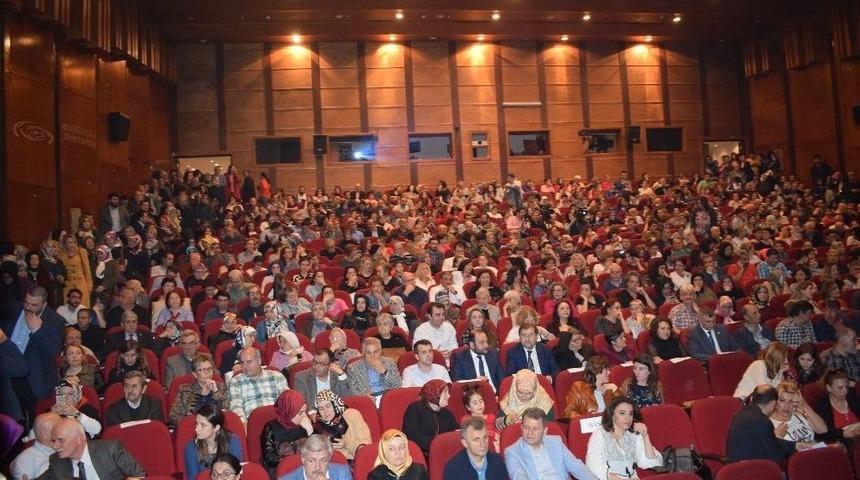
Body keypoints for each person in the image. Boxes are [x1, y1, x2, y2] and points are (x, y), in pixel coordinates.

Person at [1, 286, 64, 426]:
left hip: (32, 379)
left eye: (34, 305)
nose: (28, 307)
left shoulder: (55, 320)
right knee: (10, 418)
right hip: (7, 371)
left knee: (34, 421)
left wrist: (37, 330)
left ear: (44, 304)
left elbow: (53, 351)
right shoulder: (14, 308)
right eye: (26, 302)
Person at [504, 407, 598, 480]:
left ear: (545, 431)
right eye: (526, 427)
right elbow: (520, 476)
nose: (530, 432)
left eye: (535, 429)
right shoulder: (512, 452)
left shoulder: (556, 442)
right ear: (521, 428)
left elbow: (576, 467)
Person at [36, 417, 145, 479]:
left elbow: (139, 475)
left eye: (61, 440)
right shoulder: (57, 461)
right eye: (54, 441)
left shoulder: (110, 450)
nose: (55, 446)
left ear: (78, 439)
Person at [726, 385, 812, 463]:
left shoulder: (743, 412)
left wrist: (795, 445)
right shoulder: (762, 421)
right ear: (773, 403)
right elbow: (777, 457)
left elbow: (770, 440)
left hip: (738, 466)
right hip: (752, 470)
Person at [585, 397, 663, 479]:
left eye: (630, 413)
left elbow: (652, 463)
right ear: (612, 415)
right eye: (622, 413)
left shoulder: (634, 434)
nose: (628, 418)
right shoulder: (600, 434)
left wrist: (645, 436)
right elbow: (593, 465)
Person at [184, 404, 244, 480]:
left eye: (203, 425)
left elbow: (236, 473)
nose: (196, 429)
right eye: (197, 423)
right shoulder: (191, 448)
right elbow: (193, 478)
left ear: (216, 428)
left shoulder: (232, 441)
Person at [228, 347, 289, 423]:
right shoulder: (236, 381)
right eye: (242, 363)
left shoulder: (276, 376)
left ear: (259, 361)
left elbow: (287, 401)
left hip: (277, 422)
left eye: (249, 362)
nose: (245, 366)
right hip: (253, 424)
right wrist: (243, 424)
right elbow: (236, 407)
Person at [168, 353, 229, 426]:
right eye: (202, 370)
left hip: (217, 427)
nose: (207, 372)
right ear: (195, 374)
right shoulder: (185, 389)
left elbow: (227, 411)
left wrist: (216, 392)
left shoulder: (220, 386)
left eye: (209, 369)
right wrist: (202, 398)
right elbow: (173, 416)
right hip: (194, 427)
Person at [403, 379, 459, 458]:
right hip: (420, 455)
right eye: (445, 392)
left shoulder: (447, 414)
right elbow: (411, 434)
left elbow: (455, 433)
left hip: (442, 453)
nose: (449, 396)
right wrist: (435, 445)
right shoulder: (415, 408)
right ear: (434, 392)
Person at [263, 390, 314, 474]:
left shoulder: (305, 424)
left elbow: (318, 450)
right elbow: (270, 459)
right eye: (300, 413)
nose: (305, 416)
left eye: (305, 411)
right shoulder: (271, 428)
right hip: (283, 471)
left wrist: (310, 432)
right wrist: (296, 460)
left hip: (306, 469)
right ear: (289, 411)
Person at [312, 389, 371, 460]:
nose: (325, 411)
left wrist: (347, 443)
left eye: (328, 406)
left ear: (335, 404)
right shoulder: (318, 427)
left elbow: (366, 448)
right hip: (336, 466)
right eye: (321, 409)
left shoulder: (351, 415)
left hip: (359, 462)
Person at [443, 417, 509, 480]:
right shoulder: (453, 469)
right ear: (465, 443)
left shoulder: (498, 461)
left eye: (485, 437)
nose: (483, 444)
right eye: (476, 440)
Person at [564, 355, 623, 419]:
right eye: (606, 369)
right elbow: (569, 412)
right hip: (590, 426)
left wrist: (615, 389)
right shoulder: (579, 387)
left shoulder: (610, 388)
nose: (609, 372)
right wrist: (586, 418)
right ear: (597, 371)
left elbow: (623, 409)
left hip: (608, 425)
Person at [346, 337, 402, 405]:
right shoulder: (353, 368)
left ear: (380, 351)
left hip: (389, 399)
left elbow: (398, 385)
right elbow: (352, 392)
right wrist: (364, 397)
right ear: (363, 353)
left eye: (375, 352)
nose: (373, 356)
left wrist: (384, 371)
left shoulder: (389, 362)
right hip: (368, 401)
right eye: (369, 353)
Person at [10, 412, 62, 480]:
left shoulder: (59, 448)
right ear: (45, 435)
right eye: (60, 429)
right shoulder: (29, 463)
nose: (65, 431)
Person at [814, 368, 860, 443]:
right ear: (829, 388)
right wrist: (843, 433)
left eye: (846, 387)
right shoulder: (822, 406)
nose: (845, 391)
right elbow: (821, 433)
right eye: (840, 388)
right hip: (840, 443)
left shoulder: (853, 398)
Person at [280, 434, 353, 480]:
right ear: (303, 459)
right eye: (311, 461)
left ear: (329, 458)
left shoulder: (343, 473)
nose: (318, 467)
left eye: (323, 460)